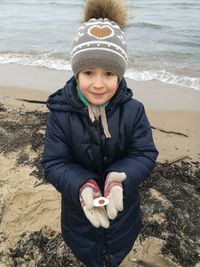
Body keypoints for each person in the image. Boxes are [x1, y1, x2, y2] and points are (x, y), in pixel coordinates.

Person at [42, 0, 158, 266]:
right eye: (88, 72)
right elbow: (54, 163)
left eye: (108, 73)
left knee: (117, 254)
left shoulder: (134, 110)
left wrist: (119, 180)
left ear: (119, 75)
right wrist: (82, 185)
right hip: (78, 219)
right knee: (88, 256)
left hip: (124, 217)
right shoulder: (60, 114)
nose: (98, 84)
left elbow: (144, 153)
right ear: (76, 73)